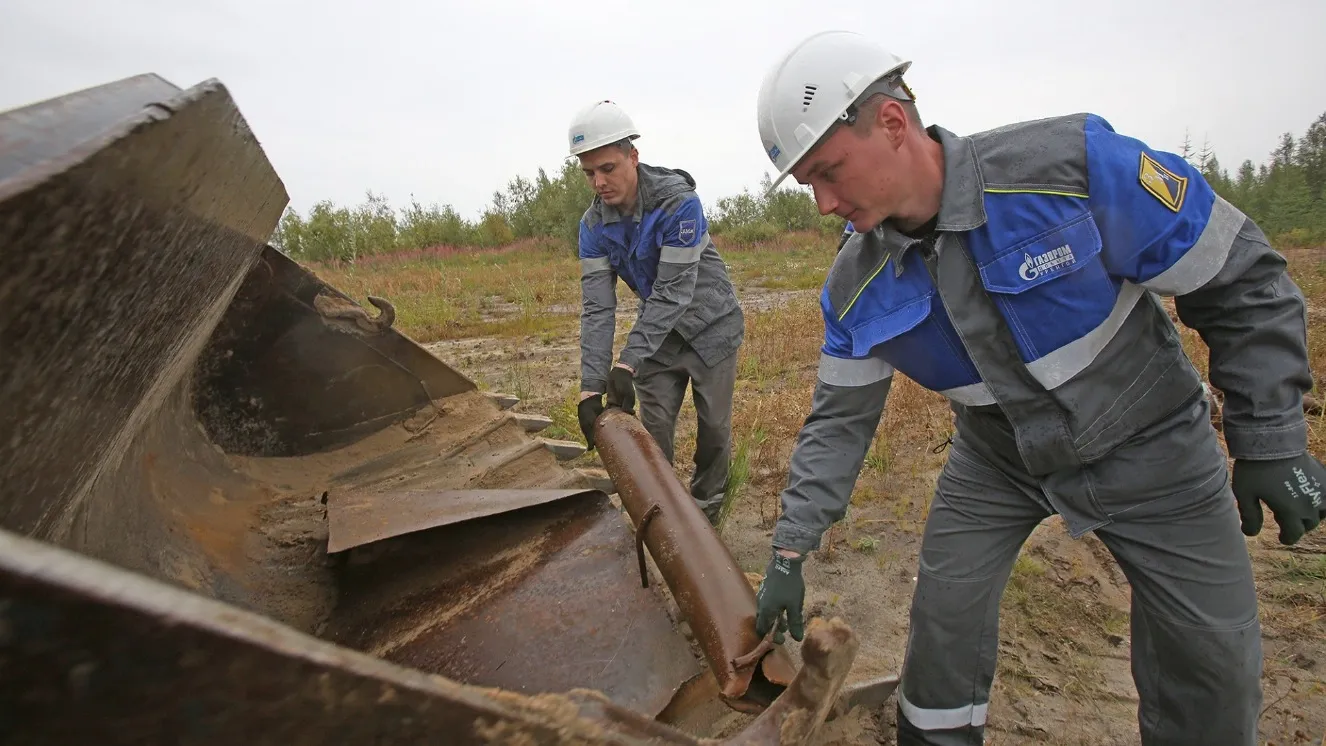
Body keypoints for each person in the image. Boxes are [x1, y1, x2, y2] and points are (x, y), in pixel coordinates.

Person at [749, 30, 1326, 746]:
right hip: (998, 461)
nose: (824, 203)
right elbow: (837, 425)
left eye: (830, 172)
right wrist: (790, 550)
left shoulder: (1068, 172)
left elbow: (1243, 280)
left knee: (1210, 661)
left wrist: (1271, 436)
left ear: (892, 123)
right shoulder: (855, 290)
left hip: (1155, 444)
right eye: (808, 185)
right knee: (945, 624)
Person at [568, 100, 745, 525]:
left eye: (607, 168)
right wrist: (590, 387)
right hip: (660, 338)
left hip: (712, 329)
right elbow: (597, 309)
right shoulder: (592, 227)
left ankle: (706, 512)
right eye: (589, 172)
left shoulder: (678, 204)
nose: (598, 182)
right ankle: (663, 514)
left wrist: (626, 362)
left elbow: (672, 292)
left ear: (633, 156)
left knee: (714, 432)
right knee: (653, 435)